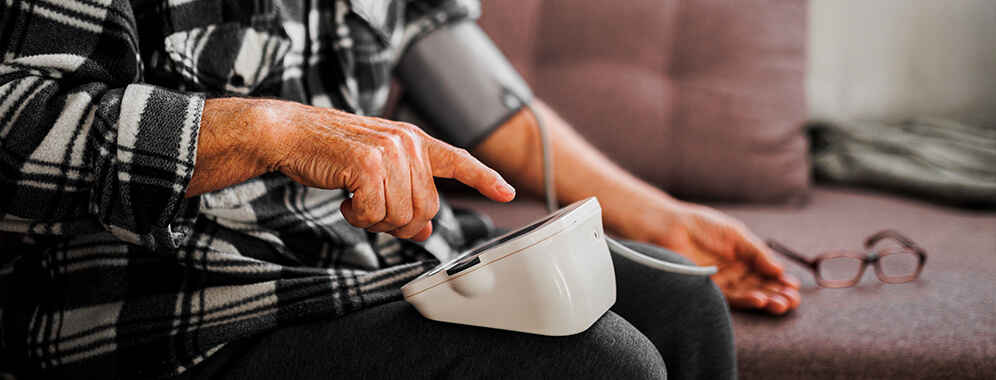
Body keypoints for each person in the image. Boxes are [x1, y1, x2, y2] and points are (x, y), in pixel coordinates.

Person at [0, 0, 800, 379]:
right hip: (184, 306)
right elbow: (19, 129)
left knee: (681, 303)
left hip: (360, 263)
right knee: (599, 367)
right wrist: (271, 131)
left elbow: (481, 96)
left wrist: (667, 220)